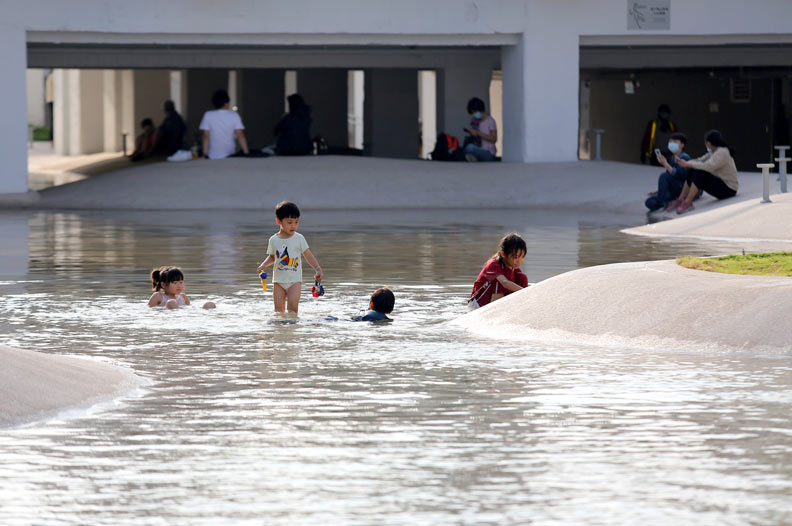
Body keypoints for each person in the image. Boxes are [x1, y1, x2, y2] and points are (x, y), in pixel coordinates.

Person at [256, 201, 324, 314]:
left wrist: (318, 268)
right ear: (278, 221)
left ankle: (293, 329)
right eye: (289, 222)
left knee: (292, 309)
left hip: (295, 281)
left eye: (296, 222)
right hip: (278, 282)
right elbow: (273, 257)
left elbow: (308, 255)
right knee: (278, 312)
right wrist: (263, 265)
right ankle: (281, 330)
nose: (293, 226)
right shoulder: (273, 240)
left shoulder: (299, 238)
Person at [668, 130, 738, 215]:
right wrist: (687, 163)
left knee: (699, 172)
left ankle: (688, 202)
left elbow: (708, 166)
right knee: (692, 170)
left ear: (708, 143)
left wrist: (689, 164)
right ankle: (680, 199)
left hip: (729, 189)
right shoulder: (713, 152)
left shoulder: (722, 152)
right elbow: (699, 160)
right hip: (721, 185)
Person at [468, 233, 529, 310]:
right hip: (477, 305)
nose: (519, 261)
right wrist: (528, 292)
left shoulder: (514, 269)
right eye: (516, 257)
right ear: (503, 254)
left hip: (494, 302)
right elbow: (505, 283)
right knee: (499, 283)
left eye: (522, 257)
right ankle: (495, 311)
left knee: (522, 277)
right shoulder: (493, 265)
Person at [644, 132, 691, 212]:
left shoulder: (684, 157)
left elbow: (678, 174)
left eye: (675, 142)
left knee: (663, 176)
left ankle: (663, 201)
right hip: (672, 190)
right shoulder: (672, 158)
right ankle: (666, 202)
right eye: (670, 142)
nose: (672, 144)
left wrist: (665, 163)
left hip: (681, 189)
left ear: (682, 145)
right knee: (649, 202)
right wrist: (658, 190)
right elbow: (669, 177)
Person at [199, 89, 250, 159]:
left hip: (212, 155)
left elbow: (206, 136)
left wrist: (205, 154)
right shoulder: (234, 115)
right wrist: (246, 153)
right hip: (230, 155)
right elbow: (240, 135)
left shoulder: (208, 115)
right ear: (226, 103)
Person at [148, 266, 216, 309]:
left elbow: (190, 308)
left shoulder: (183, 297)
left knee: (210, 304)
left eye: (181, 282)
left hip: (184, 316)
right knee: (171, 302)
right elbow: (149, 310)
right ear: (163, 285)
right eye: (175, 283)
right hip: (169, 318)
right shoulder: (158, 296)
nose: (179, 285)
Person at [463, 97, 498, 162]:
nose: (474, 115)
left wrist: (478, 133)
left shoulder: (490, 121)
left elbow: (494, 139)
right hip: (480, 148)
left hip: (489, 153)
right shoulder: (476, 121)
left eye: (474, 112)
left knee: (470, 147)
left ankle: (475, 158)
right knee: (467, 146)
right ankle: (475, 158)